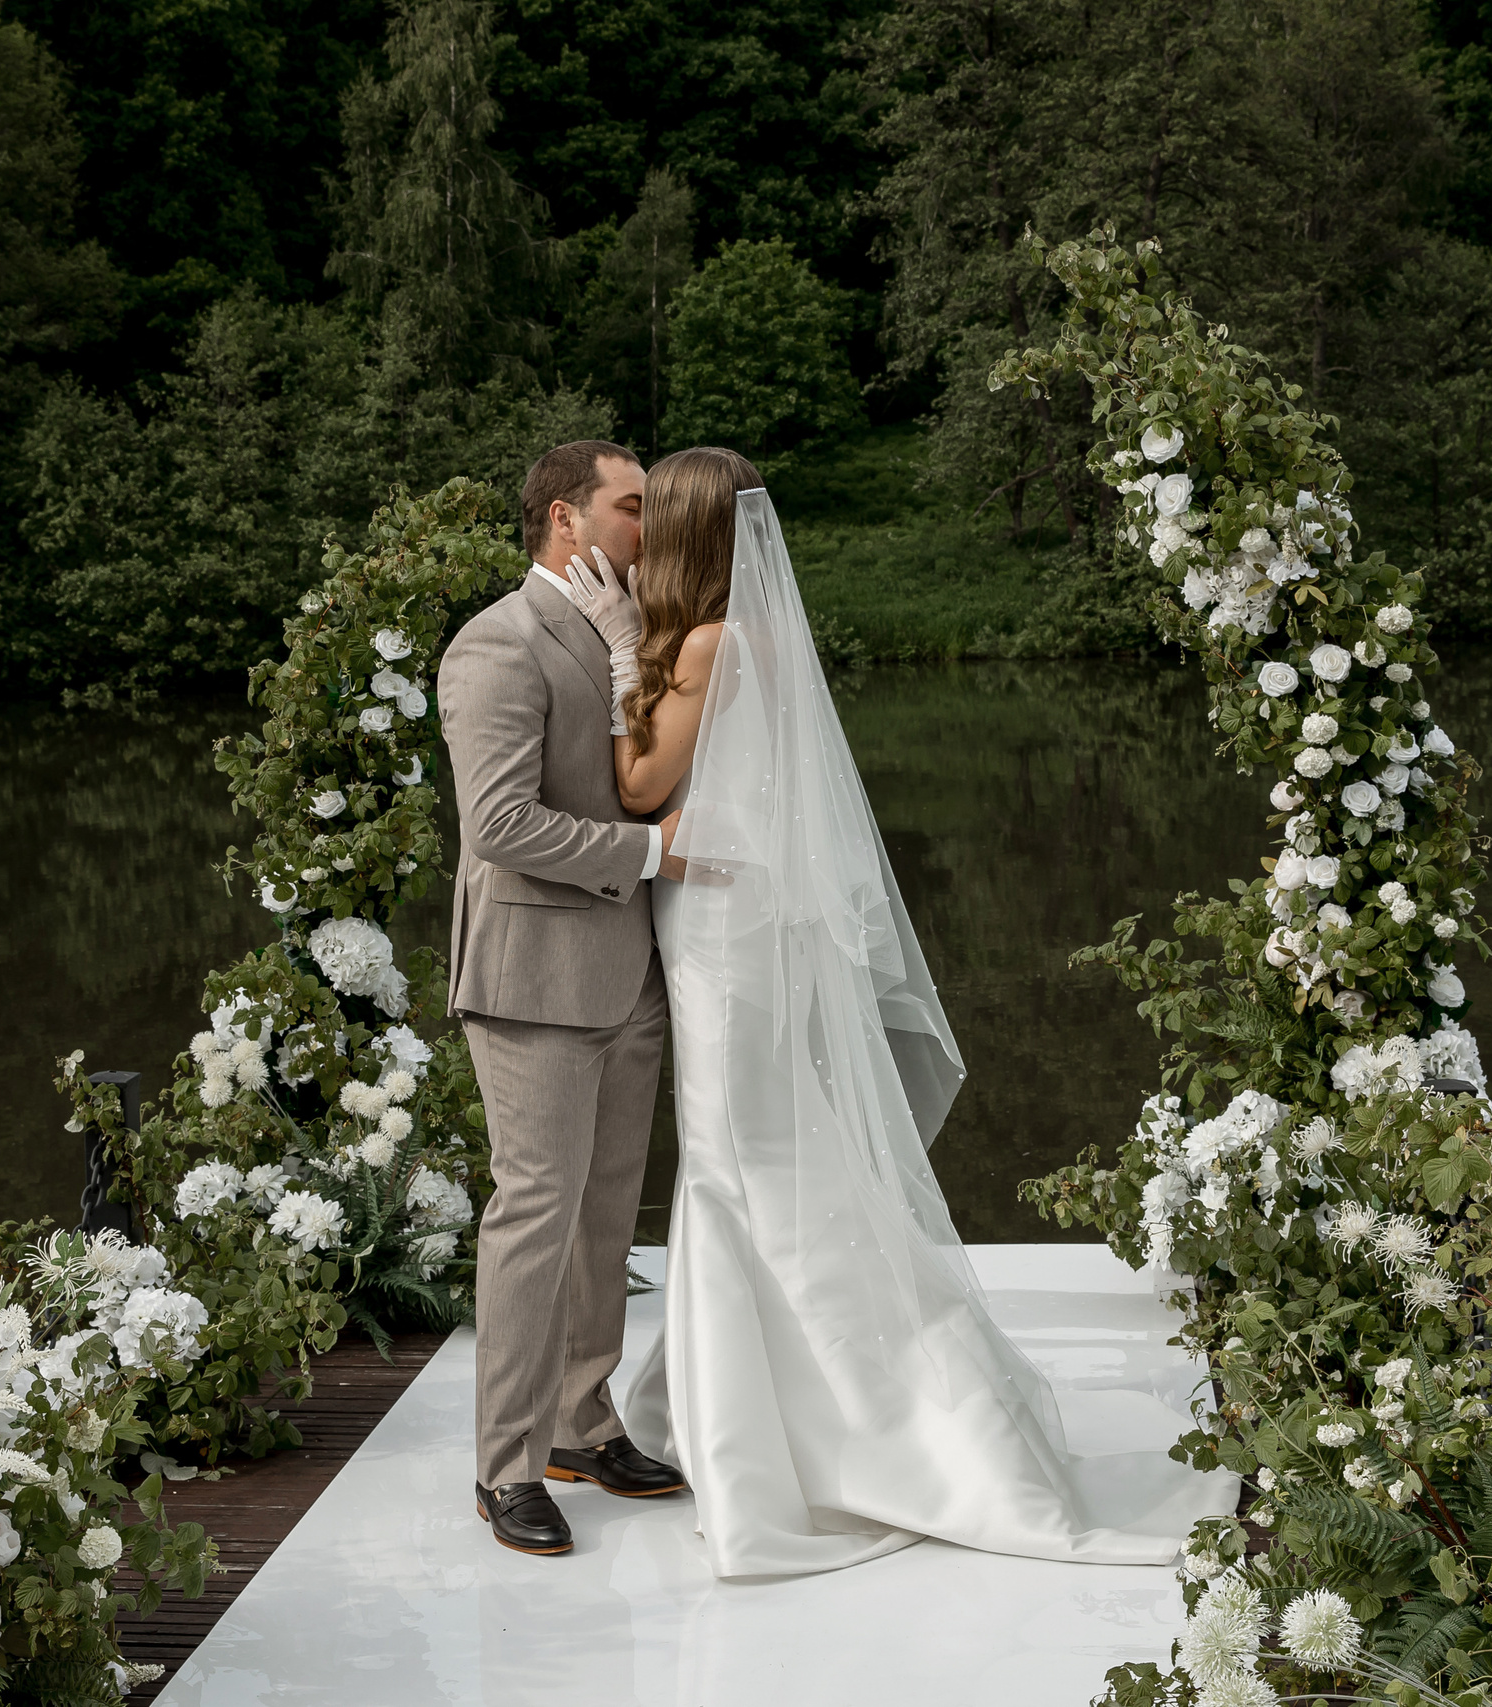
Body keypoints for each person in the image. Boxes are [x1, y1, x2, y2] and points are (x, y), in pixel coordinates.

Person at [552, 445, 1227, 1577]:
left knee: (737, 1159)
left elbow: (636, 791)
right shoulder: (741, 636)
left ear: (683, 538)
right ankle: (762, 1408)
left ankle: (810, 1431)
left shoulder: (710, 643)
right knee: (758, 1151)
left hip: (720, 930)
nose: (636, 541)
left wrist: (620, 651)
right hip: (728, 917)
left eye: (650, 521)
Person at [435, 441, 690, 1557]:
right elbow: (497, 826)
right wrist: (652, 857)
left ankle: (581, 1424)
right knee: (534, 1216)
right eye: (632, 507)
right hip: (534, 978)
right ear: (563, 521)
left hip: (629, 975)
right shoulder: (497, 642)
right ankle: (502, 1470)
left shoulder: (632, 637)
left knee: (602, 1218)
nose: (652, 527)